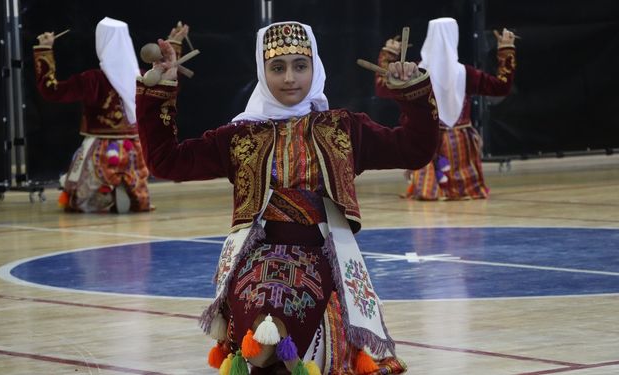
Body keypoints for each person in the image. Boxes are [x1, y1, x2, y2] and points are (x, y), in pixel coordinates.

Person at [136, 21, 438, 374]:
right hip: (258, 259)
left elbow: (414, 150)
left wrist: (412, 95)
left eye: (300, 66)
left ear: (315, 68)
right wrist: (161, 89)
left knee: (278, 336)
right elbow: (166, 161)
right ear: (263, 73)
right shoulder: (239, 136)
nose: (290, 78)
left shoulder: (343, 128)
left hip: (322, 257)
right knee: (263, 329)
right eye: (278, 68)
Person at [376, 17, 517, 200]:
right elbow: (501, 87)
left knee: (422, 144)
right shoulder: (466, 73)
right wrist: (506, 52)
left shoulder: (415, 72)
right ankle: (460, 187)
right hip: (459, 142)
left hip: (426, 139)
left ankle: (429, 188)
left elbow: (382, 88)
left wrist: (387, 56)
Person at [34, 17, 161, 213]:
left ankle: (106, 196)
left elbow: (52, 90)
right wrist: (174, 49)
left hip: (99, 149)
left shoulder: (92, 79)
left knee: (80, 195)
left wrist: (44, 50)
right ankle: (130, 193)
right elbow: (169, 90)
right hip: (135, 149)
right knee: (136, 176)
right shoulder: (143, 77)